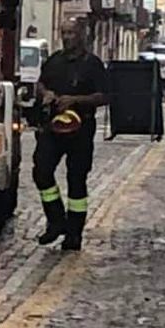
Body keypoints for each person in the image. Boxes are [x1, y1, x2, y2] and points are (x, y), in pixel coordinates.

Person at [33, 17, 108, 252]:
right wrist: (45, 93)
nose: (66, 37)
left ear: (81, 35)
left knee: (76, 181)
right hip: (53, 127)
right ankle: (55, 221)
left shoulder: (93, 64)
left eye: (71, 33)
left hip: (81, 128)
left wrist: (74, 100)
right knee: (41, 171)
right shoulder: (55, 61)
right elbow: (40, 83)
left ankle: (74, 234)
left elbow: (104, 96)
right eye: (64, 33)